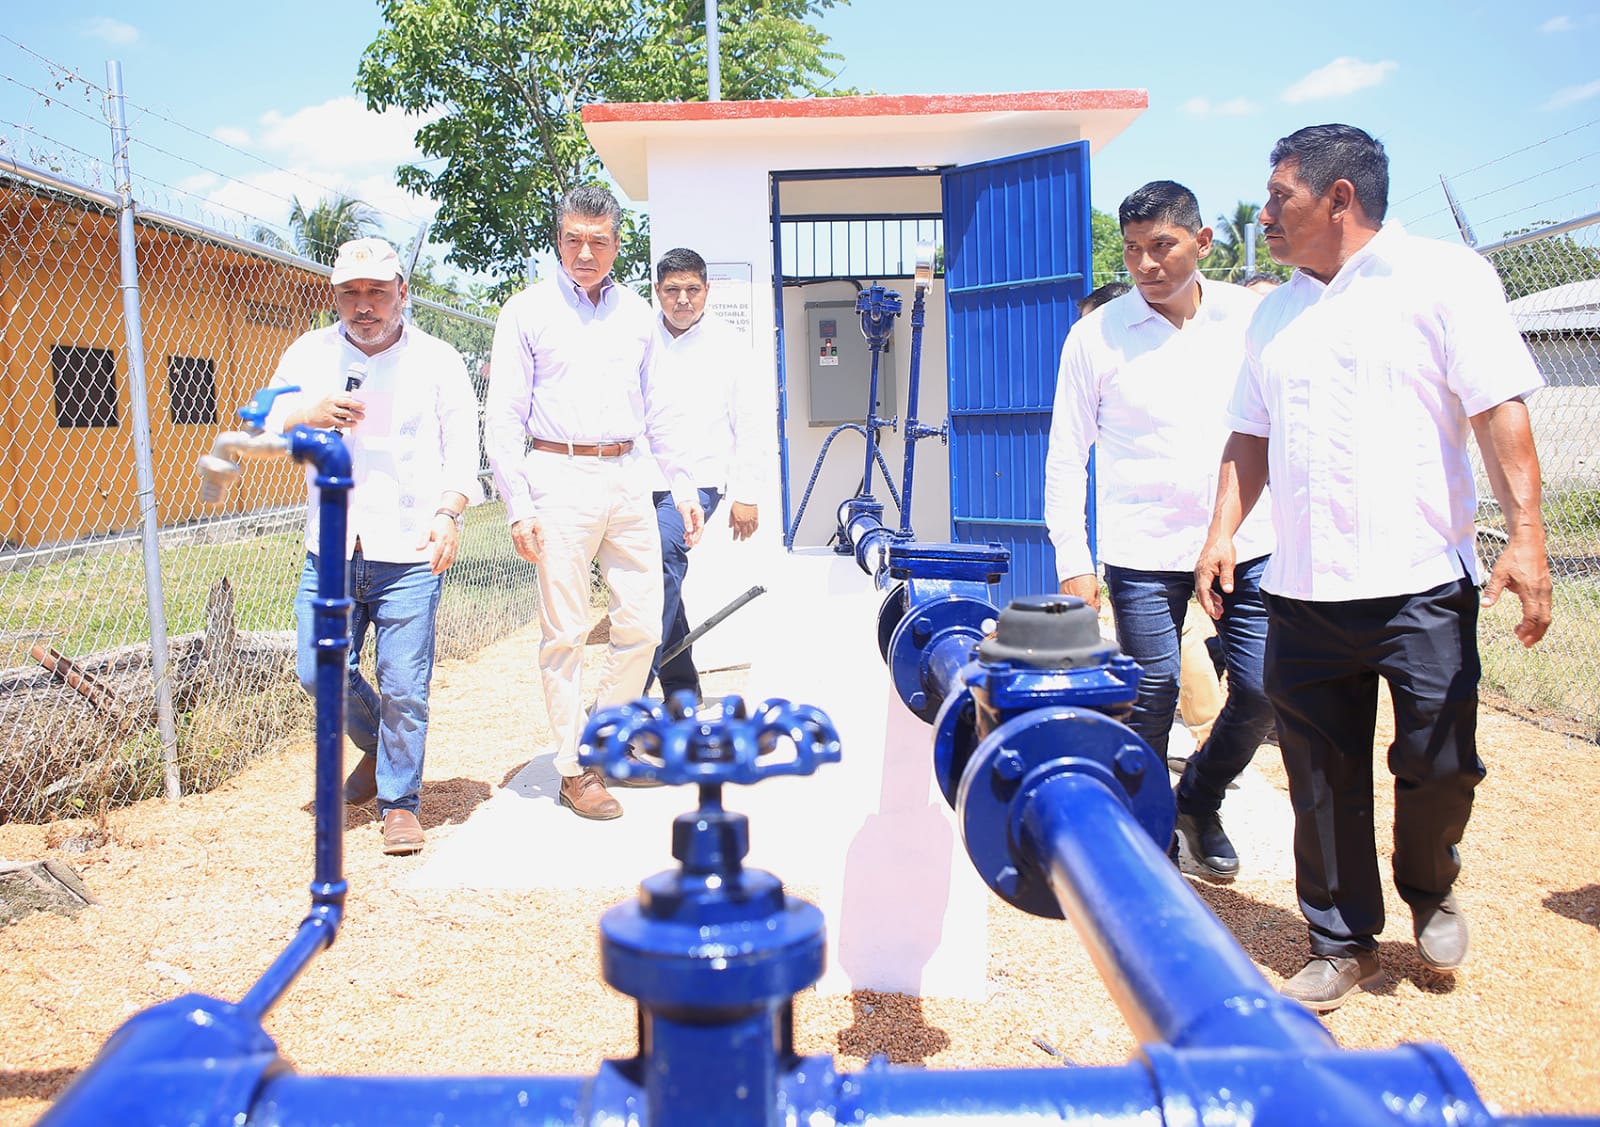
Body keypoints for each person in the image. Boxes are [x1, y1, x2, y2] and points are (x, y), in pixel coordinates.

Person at [1196, 124, 1550, 1012]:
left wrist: (1528, 532)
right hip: (1304, 591)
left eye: (1281, 197)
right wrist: (1221, 532)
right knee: (1319, 776)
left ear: (1340, 198)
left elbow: (1498, 407)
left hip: (1421, 579)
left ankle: (1430, 884)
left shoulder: (1444, 279)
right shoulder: (1273, 312)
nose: (1266, 213)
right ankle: (1340, 939)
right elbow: (1250, 434)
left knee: (1439, 758)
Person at [1044, 180, 1276, 882]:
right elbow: (1064, 454)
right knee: (1152, 690)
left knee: (1266, 687)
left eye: (1163, 247)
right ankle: (1143, 838)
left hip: (1246, 539)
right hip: (1142, 549)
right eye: (1133, 250)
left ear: (1203, 244)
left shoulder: (1250, 318)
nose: (1146, 264)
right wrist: (1073, 559)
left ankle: (1198, 800)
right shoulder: (1096, 337)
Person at [484, 185, 704, 821]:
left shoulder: (637, 314)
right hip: (556, 474)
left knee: (641, 621)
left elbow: (659, 410)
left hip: (629, 474)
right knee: (566, 632)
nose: (586, 252)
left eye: (599, 241)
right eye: (574, 239)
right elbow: (502, 417)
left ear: (616, 244)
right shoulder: (525, 312)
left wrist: (682, 485)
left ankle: (604, 739)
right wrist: (518, 505)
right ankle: (573, 769)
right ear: (559, 238)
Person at [267, 236, 480, 856]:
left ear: (401, 293)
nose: (364, 305)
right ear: (335, 295)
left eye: (377, 292)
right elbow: (261, 417)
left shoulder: (438, 362)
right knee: (317, 672)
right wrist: (306, 408)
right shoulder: (310, 353)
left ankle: (400, 804)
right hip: (331, 545)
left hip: (411, 549)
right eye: (351, 293)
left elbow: (464, 450)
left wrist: (449, 513)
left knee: (406, 684)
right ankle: (381, 738)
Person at [645, 247, 765, 706]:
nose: (682, 299)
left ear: (707, 291)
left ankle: (631, 696)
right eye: (672, 290)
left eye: (692, 289)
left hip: (699, 482)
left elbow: (750, 424)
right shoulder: (640, 340)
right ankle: (680, 689)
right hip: (638, 479)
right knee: (658, 573)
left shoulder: (730, 346)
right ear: (657, 291)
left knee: (660, 558)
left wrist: (746, 494)